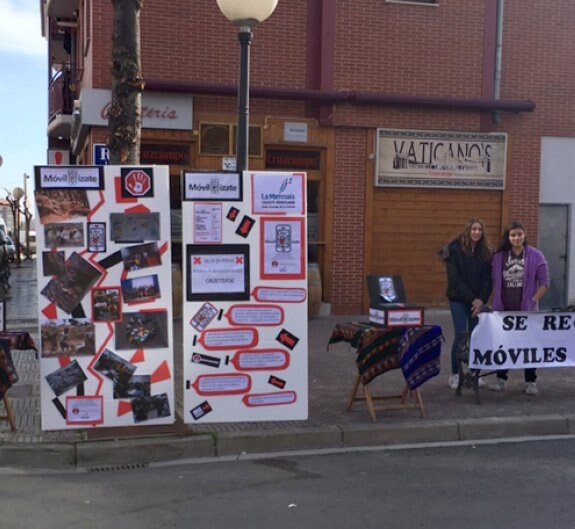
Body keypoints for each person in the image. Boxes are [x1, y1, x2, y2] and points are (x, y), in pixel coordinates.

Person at [489, 220, 550, 395]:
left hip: (527, 311)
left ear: (524, 236)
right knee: (504, 345)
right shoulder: (499, 257)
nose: (516, 238)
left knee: (529, 345)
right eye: (512, 235)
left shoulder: (536, 256)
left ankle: (531, 381)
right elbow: (493, 281)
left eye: (519, 234)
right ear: (508, 238)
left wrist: (533, 300)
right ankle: (501, 379)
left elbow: (545, 282)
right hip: (504, 310)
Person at [440, 219, 493, 390]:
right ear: (467, 231)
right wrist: (472, 299)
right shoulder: (454, 249)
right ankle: (456, 374)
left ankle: (474, 373)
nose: (477, 232)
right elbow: (454, 279)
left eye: (479, 229)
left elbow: (488, 279)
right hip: (459, 299)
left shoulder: (485, 253)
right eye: (474, 229)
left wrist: (481, 300)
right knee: (461, 335)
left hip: (477, 302)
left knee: (475, 335)